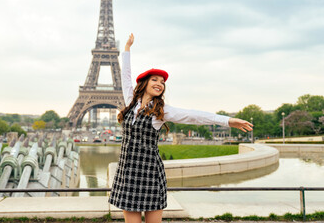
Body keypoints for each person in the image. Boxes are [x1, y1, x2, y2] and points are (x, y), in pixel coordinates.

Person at [108, 33, 253, 223]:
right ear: (143, 83)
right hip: (128, 171)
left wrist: (228, 121)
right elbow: (125, 76)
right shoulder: (130, 101)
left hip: (149, 172)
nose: (160, 84)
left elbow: (194, 115)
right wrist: (127, 48)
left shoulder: (162, 111)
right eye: (155, 80)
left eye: (162, 82)